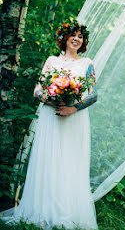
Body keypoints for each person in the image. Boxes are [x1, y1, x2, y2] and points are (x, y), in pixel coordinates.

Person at [1, 20, 98, 229]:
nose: (76, 39)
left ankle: (69, 212)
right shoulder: (52, 60)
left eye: (80, 36)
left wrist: (73, 108)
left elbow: (94, 95)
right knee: (49, 159)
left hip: (74, 118)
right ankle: (43, 209)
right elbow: (37, 88)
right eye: (73, 34)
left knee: (70, 162)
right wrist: (49, 97)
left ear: (84, 41)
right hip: (50, 115)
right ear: (64, 38)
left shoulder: (87, 63)